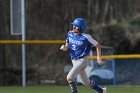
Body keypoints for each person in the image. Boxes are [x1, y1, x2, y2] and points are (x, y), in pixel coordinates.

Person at [60, 18, 107, 93]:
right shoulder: (70, 33)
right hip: (74, 60)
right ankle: (101, 91)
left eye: (76, 26)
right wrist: (65, 47)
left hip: (82, 60)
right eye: (74, 25)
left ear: (81, 28)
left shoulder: (86, 37)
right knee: (86, 82)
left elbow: (98, 45)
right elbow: (67, 45)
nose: (74, 27)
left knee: (69, 77)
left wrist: (98, 58)